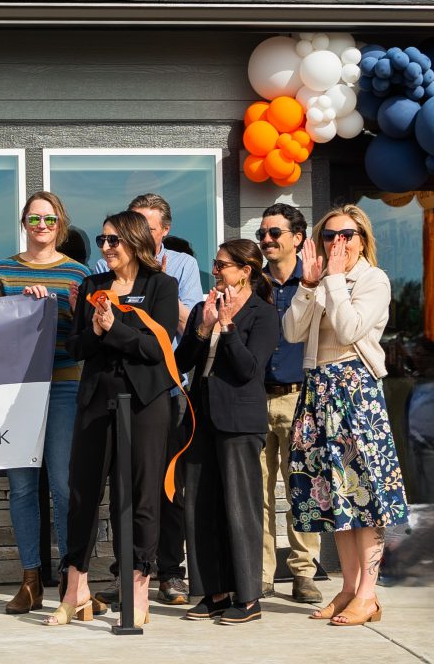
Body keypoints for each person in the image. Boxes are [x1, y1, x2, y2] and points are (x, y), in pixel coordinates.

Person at [48, 210, 178, 627]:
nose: (105, 248)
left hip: (144, 403)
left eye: (113, 241)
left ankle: (138, 587)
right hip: (96, 399)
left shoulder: (161, 285)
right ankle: (76, 587)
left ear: (135, 241)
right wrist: (98, 333)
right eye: (102, 241)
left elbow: (157, 347)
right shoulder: (92, 285)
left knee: (140, 494)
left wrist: (113, 331)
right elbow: (78, 346)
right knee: (83, 491)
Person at [284, 204, 409, 626]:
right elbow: (291, 332)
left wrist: (334, 280)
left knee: (366, 495)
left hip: (356, 390)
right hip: (319, 388)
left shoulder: (374, 279)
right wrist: (307, 284)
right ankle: (349, 588)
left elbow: (351, 329)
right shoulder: (319, 280)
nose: (338, 243)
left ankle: (369, 594)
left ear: (362, 239)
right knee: (334, 493)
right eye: (330, 235)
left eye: (347, 235)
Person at [0, 191, 92, 614]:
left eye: (49, 220)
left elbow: (88, 333)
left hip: (66, 382)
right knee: (23, 485)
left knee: (64, 485)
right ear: (23, 223)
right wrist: (17, 307)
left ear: (60, 224)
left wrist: (67, 307)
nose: (41, 227)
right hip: (18, 389)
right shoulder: (2, 271)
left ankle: (72, 579)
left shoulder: (79, 273)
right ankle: (30, 579)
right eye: (34, 219)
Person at [93, 193, 202, 606]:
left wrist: (154, 286)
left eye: (146, 226)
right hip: (119, 388)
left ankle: (170, 572)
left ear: (163, 231)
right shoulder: (106, 260)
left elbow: (187, 323)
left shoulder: (182, 267)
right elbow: (99, 318)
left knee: (164, 485)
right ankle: (128, 572)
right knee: (125, 486)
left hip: (168, 386)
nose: (122, 238)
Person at [175, 239, 278, 625]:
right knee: (201, 507)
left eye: (221, 266)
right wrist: (202, 328)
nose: (215, 272)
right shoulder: (207, 306)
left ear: (245, 270)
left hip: (238, 420)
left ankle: (249, 597)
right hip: (200, 417)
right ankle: (214, 592)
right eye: (214, 265)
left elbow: (249, 369)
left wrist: (229, 327)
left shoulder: (262, 313)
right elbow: (181, 361)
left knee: (240, 507)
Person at [256, 203, 323, 603]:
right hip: (256, 398)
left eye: (274, 233)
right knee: (258, 493)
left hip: (301, 398)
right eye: (263, 233)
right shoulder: (255, 283)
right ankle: (263, 574)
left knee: (302, 490)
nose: (266, 240)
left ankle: (303, 574)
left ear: (297, 238)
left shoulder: (315, 281)